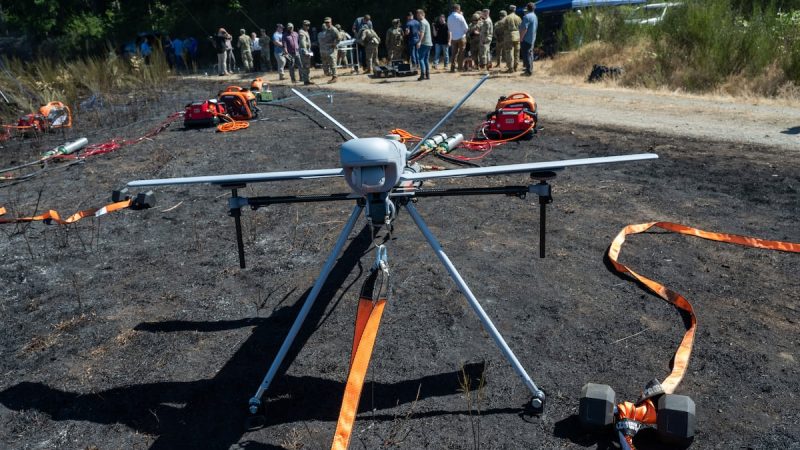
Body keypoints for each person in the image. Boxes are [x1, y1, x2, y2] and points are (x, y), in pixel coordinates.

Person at [447, 4, 469, 72]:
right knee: (461, 53)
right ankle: (460, 68)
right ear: (457, 9)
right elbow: (466, 28)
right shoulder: (460, 16)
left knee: (454, 53)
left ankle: (452, 68)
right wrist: (464, 32)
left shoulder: (449, 17)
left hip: (453, 38)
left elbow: (449, 28)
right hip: (461, 37)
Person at [317, 17, 340, 83]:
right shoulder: (327, 30)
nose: (327, 23)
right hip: (326, 50)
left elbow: (339, 37)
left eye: (328, 22)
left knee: (333, 63)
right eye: (326, 22)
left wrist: (334, 44)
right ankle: (333, 76)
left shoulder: (333, 29)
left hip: (332, 49)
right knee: (329, 64)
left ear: (331, 22)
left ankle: (335, 77)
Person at [519, 2, 538, 76]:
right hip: (532, 38)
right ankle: (530, 69)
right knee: (530, 54)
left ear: (527, 8)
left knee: (526, 55)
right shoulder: (535, 16)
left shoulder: (526, 17)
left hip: (526, 39)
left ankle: (528, 72)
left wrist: (521, 38)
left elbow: (524, 29)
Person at [504, 5, 522, 73]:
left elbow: (504, 27)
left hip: (509, 36)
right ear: (515, 10)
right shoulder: (518, 17)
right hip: (517, 36)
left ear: (509, 9)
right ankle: (516, 67)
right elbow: (521, 26)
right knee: (517, 52)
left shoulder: (507, 18)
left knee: (509, 52)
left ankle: (510, 68)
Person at [299, 20, 314, 85]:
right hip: (304, 51)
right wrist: (305, 51)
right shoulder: (301, 32)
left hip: (307, 50)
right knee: (305, 66)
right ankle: (306, 80)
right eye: (306, 25)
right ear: (303, 25)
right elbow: (303, 42)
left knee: (307, 66)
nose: (307, 26)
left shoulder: (306, 31)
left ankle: (307, 79)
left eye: (308, 25)